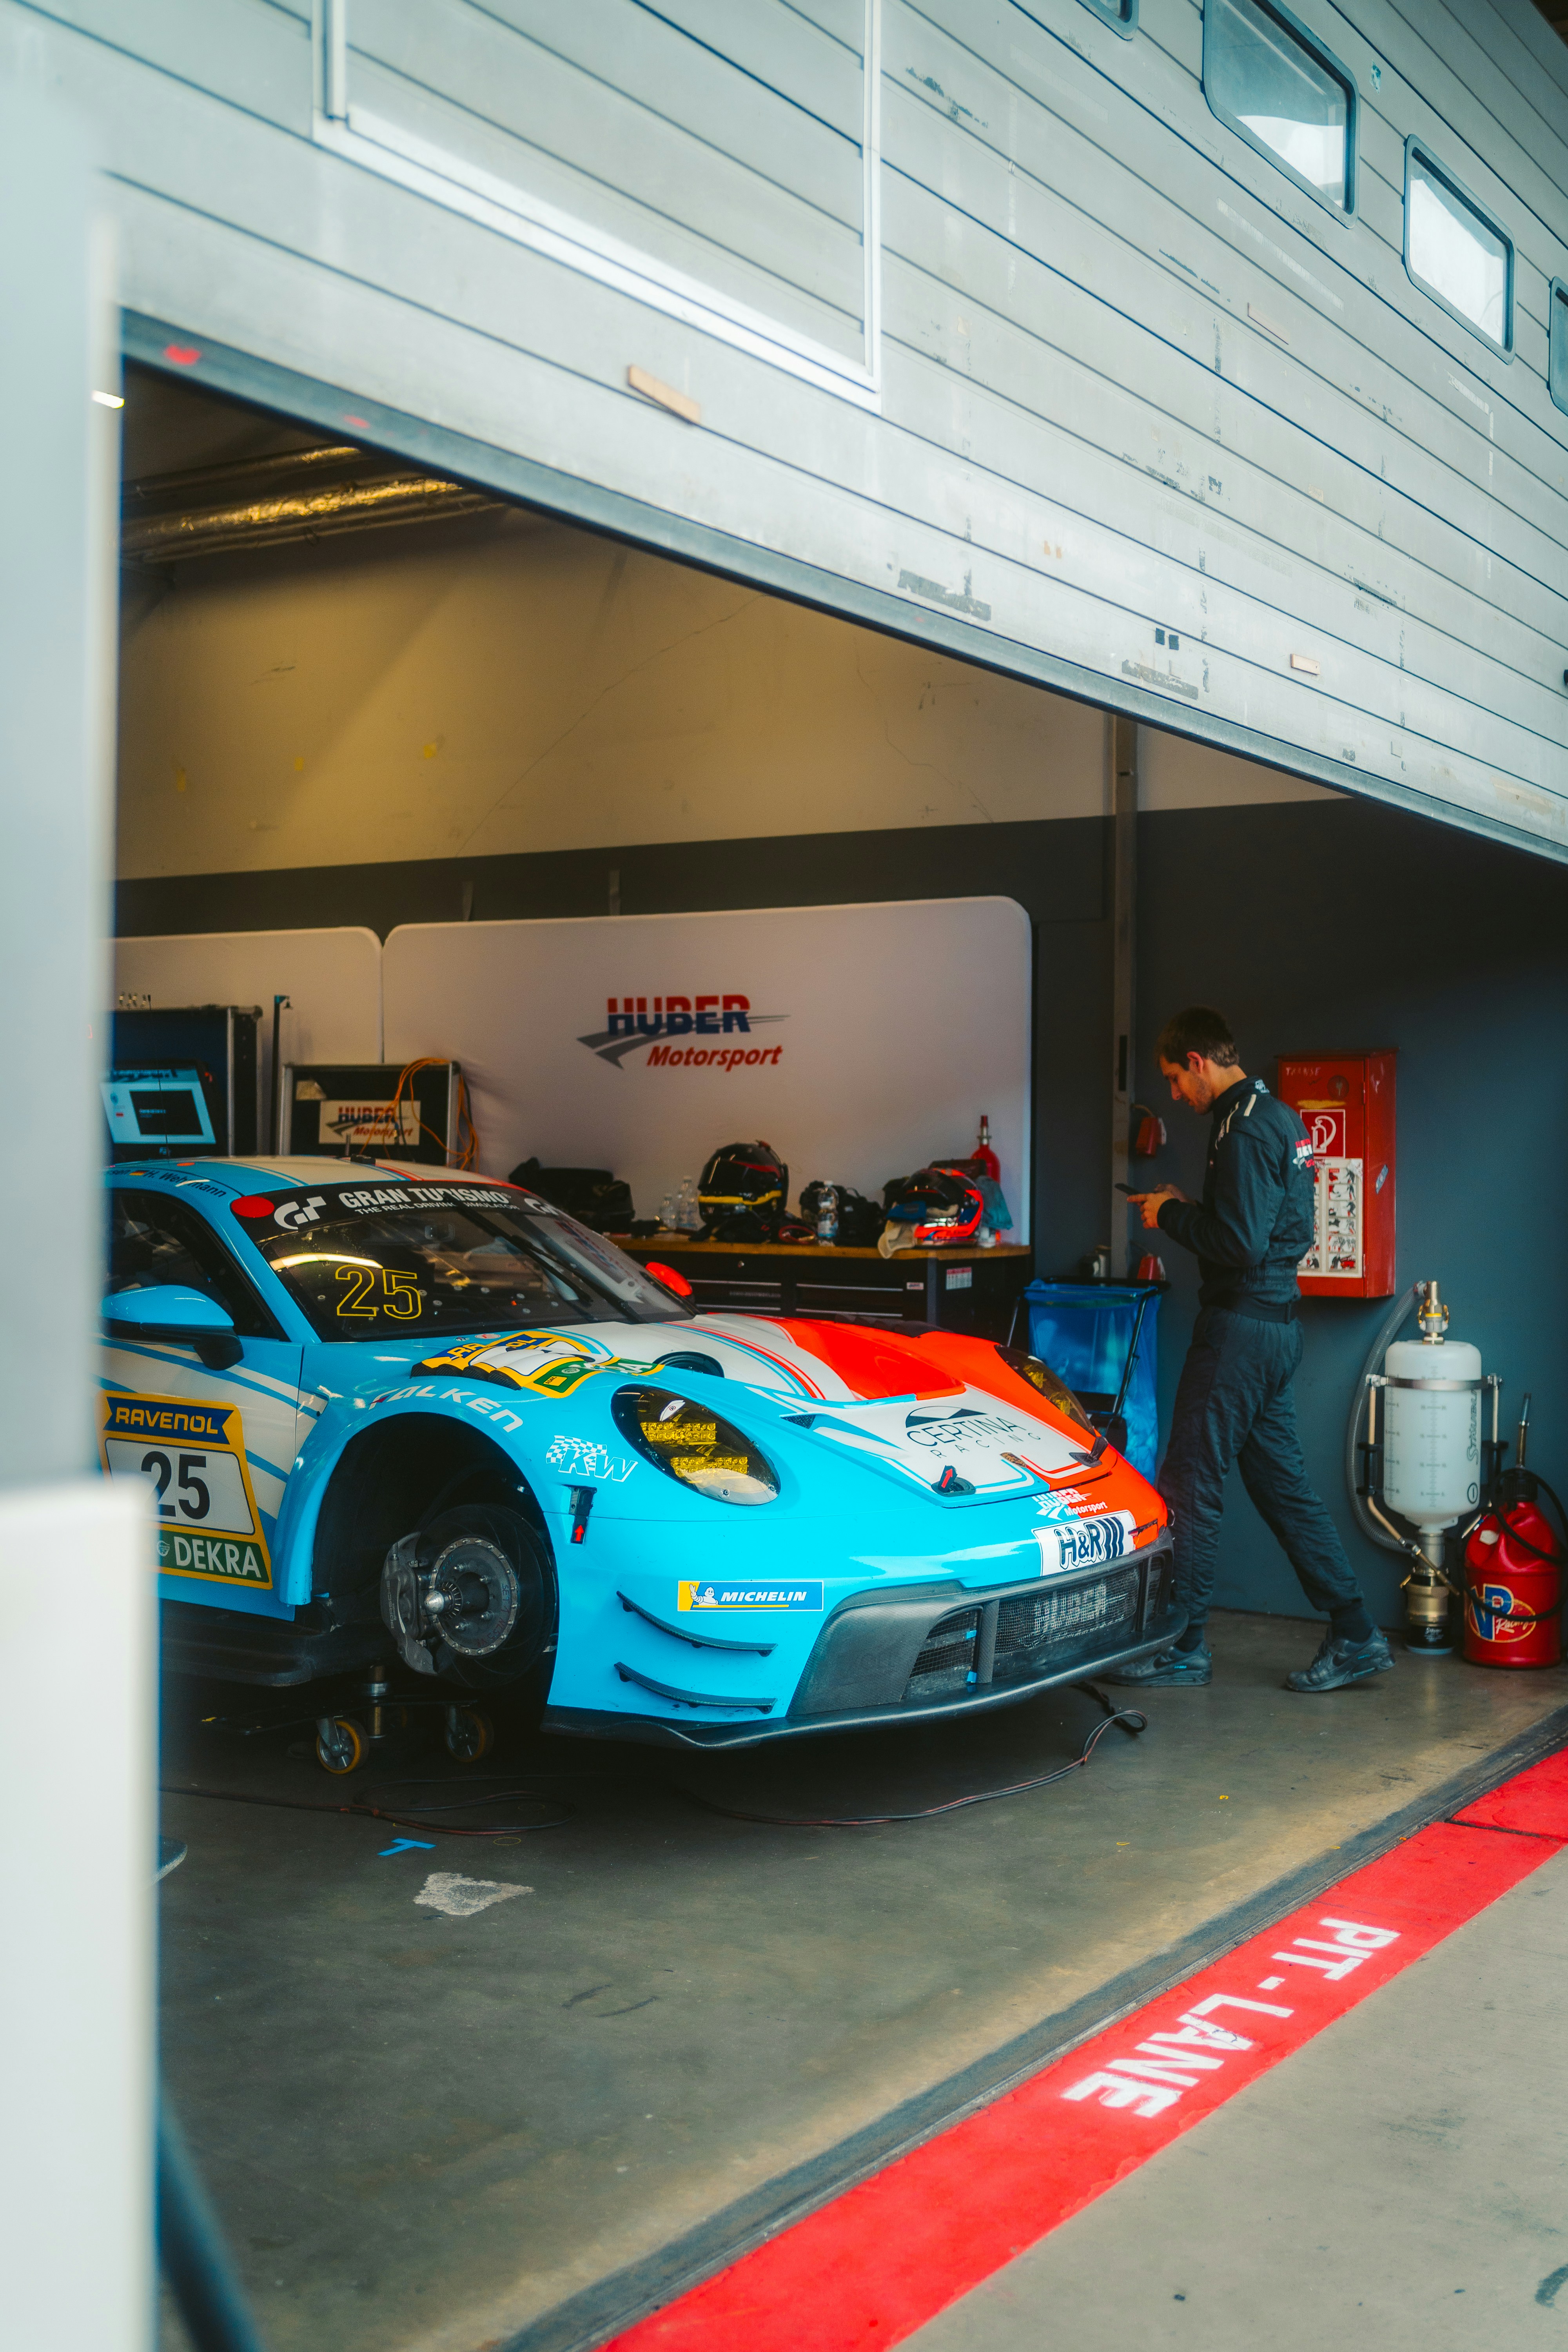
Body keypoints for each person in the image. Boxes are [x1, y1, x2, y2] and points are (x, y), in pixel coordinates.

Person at [1108, 1005, 1392, 1695]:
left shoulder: (1238, 1133)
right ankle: (1356, 1632)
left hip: (1238, 1332)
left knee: (1189, 1485)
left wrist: (1168, 1215)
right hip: (1275, 1330)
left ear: (1199, 1063)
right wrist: (1185, 1204)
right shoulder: (1280, 1116)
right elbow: (1254, 1223)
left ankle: (1183, 1646)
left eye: (1176, 1078)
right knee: (1282, 1486)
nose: (1176, 1094)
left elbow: (1237, 1243)